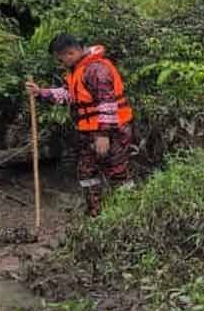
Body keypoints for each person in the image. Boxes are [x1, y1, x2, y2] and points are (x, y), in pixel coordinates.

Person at [25, 34, 134, 217]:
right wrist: (40, 92)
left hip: (112, 131)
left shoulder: (97, 70)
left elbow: (107, 103)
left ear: (70, 53)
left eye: (60, 60)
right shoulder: (78, 70)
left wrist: (103, 135)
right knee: (86, 172)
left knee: (117, 171)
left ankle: (128, 213)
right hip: (89, 132)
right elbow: (68, 95)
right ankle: (95, 213)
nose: (60, 64)